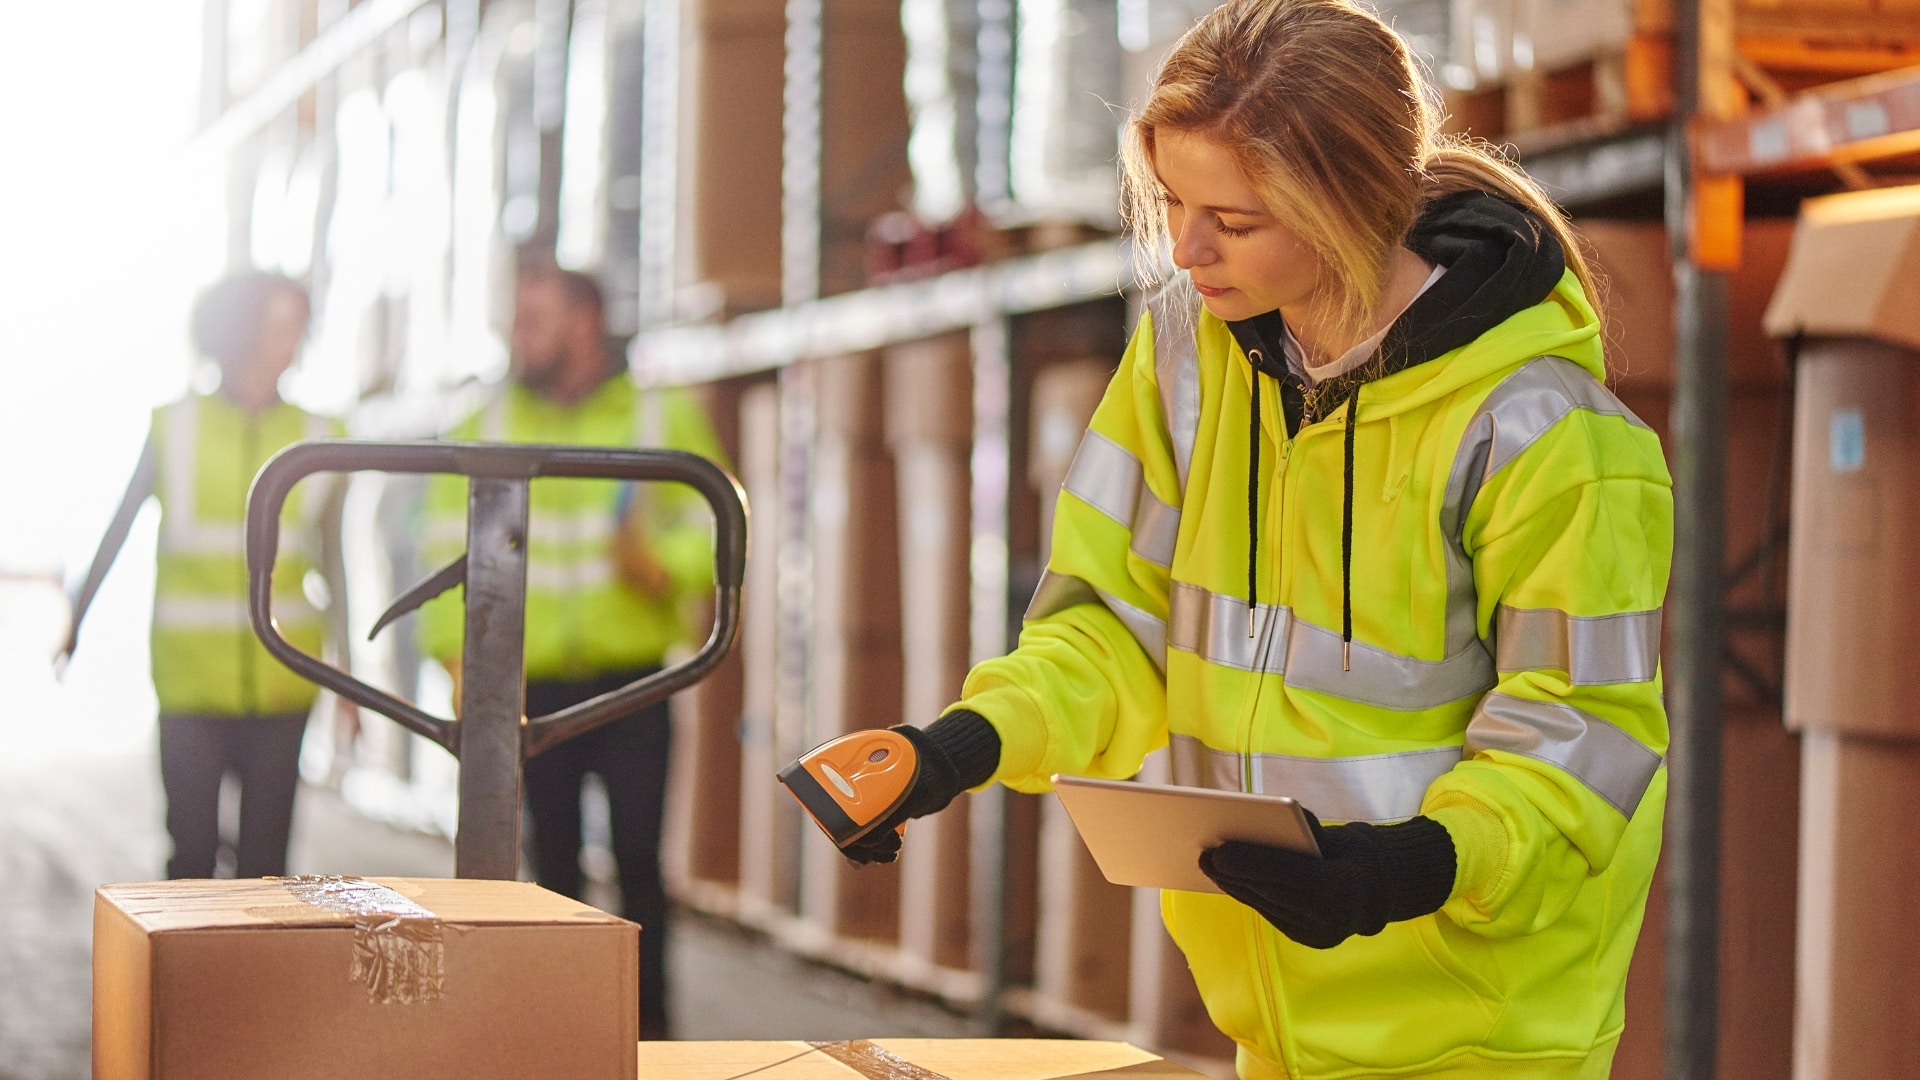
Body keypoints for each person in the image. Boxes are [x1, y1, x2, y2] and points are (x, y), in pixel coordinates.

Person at [832, 2, 1673, 1077]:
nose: (1185, 248)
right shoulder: (1189, 365)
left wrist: (1399, 871)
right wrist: (954, 747)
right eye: (1175, 201)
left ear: (1350, 206)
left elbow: (1580, 737)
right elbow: (1110, 629)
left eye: (1232, 217)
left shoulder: (1547, 434)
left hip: (1482, 1033)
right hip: (1272, 1021)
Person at [420, 263, 722, 1040]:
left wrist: (663, 566)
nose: (517, 336)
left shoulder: (659, 414)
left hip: (632, 684)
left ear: (585, 322)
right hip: (528, 683)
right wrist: (452, 659)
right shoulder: (484, 414)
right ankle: (558, 1035)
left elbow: (715, 525)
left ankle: (649, 1035)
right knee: (548, 869)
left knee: (639, 865)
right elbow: (434, 543)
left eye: (534, 319)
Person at [63, 271, 347, 880]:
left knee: (267, 867)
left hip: (284, 683)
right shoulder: (175, 427)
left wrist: (346, 678)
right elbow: (118, 529)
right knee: (190, 856)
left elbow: (334, 563)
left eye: (297, 328)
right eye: (277, 326)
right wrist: (77, 619)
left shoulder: (321, 437)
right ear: (235, 331)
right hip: (190, 684)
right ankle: (192, 978)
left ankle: (252, 978)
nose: (291, 342)